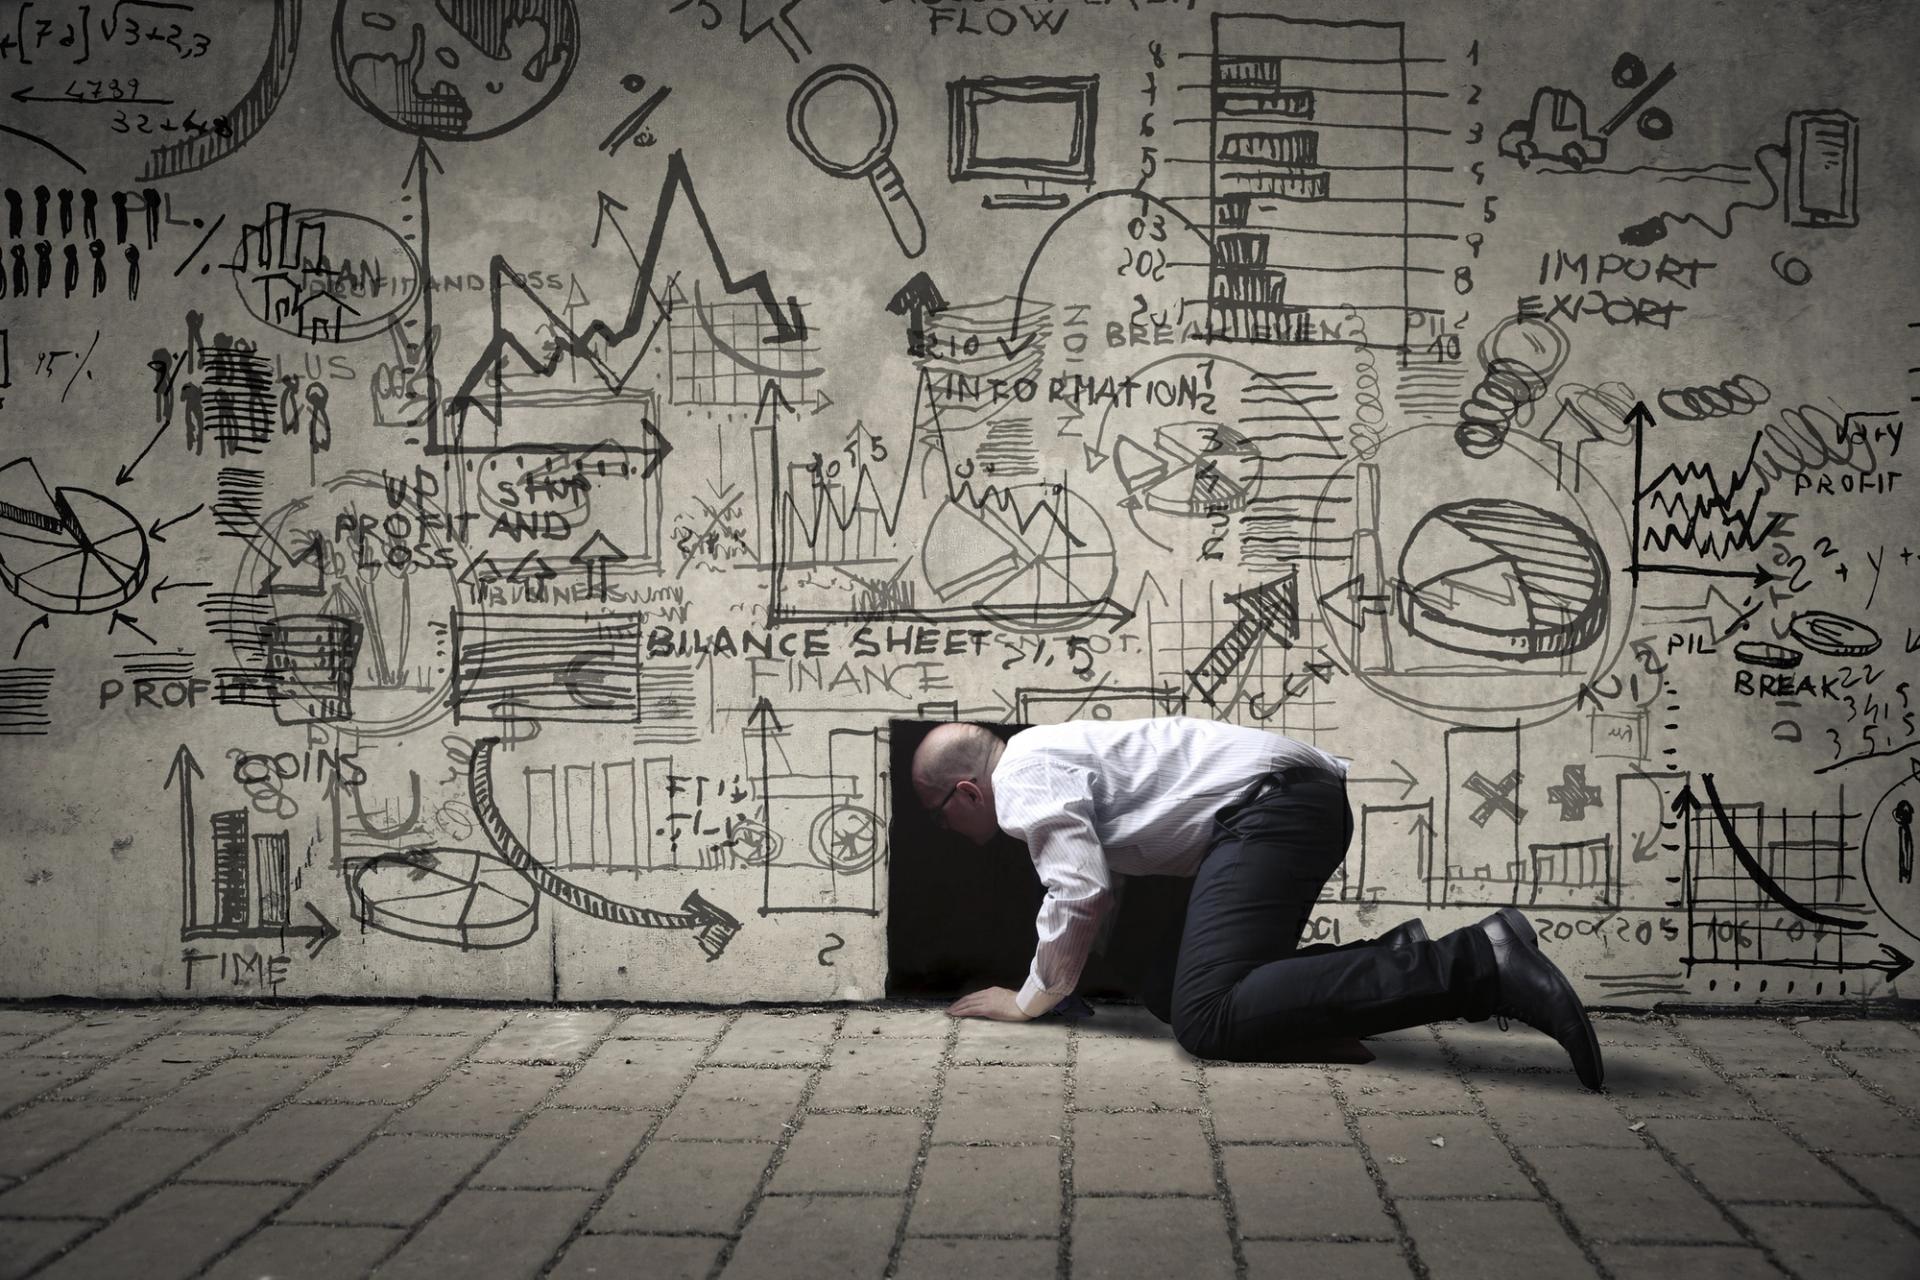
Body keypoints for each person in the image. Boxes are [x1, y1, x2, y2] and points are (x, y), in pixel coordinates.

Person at [910, 717, 1603, 1090]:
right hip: (1281, 809)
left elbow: (1078, 888)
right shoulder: (1042, 751)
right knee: (1166, 991)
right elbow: (1099, 883)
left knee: (1208, 1021)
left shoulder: (1022, 780)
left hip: (1271, 814)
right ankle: (1390, 965)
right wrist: (1068, 980)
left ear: (967, 792)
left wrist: (1031, 998)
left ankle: (1479, 962)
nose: (945, 829)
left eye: (939, 815)